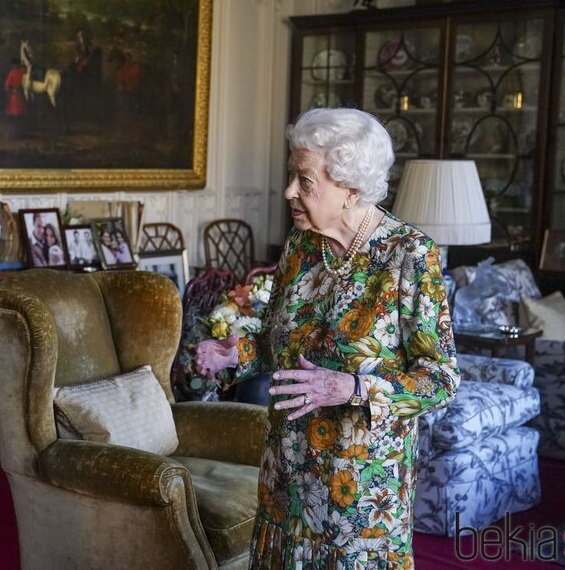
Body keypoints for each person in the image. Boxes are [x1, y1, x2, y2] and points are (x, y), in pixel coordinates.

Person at [196, 108, 459, 569]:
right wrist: (237, 352)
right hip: (287, 474)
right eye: (292, 175)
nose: (289, 192)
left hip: (358, 488)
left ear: (350, 188)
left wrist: (354, 388)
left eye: (305, 179)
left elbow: (441, 378)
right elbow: (280, 342)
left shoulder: (408, 256)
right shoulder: (301, 246)